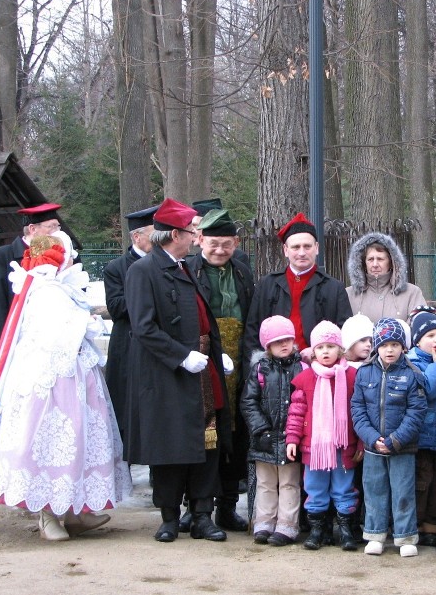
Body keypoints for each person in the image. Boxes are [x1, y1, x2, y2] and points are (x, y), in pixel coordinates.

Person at [0, 232, 131, 541]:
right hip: (54, 383)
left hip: (72, 376)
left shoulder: (54, 288)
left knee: (79, 440)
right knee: (53, 440)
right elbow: (58, 335)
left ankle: (73, 510)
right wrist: (88, 324)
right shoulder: (46, 291)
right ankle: (48, 513)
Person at [123, 198, 233, 544]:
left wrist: (216, 354)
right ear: (174, 234)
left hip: (202, 369)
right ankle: (169, 516)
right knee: (169, 447)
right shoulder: (143, 272)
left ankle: (202, 514)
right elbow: (143, 327)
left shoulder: (186, 267)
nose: (196, 238)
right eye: (193, 232)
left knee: (207, 444)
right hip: (168, 375)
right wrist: (181, 356)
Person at [186, 209, 256, 532]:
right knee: (203, 434)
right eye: (213, 243)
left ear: (236, 243)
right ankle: (196, 507)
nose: (219, 250)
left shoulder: (243, 272)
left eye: (226, 244)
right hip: (201, 360)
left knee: (235, 433)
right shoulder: (188, 271)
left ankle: (228, 506)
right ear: (199, 239)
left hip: (238, 362)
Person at [352, 317, 427, 557]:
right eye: (384, 345)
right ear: (377, 346)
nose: (390, 349)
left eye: (395, 344)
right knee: (374, 490)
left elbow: (416, 412)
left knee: (403, 490)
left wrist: (396, 440)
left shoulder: (413, 374)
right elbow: (357, 409)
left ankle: (405, 536)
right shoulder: (364, 374)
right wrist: (372, 438)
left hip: (402, 448)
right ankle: (375, 534)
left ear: (403, 346)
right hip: (373, 447)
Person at [285, 321, 360, 551]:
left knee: (344, 488)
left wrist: (361, 441)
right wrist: (292, 439)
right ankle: (318, 530)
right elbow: (296, 412)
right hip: (314, 448)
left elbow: (360, 411)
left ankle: (345, 530)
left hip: (343, 444)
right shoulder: (306, 378)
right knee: (315, 488)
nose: (325, 351)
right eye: (320, 347)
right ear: (313, 351)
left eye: (330, 346)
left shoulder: (351, 376)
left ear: (340, 349)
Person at [244, 213, 352, 369]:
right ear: (286, 250)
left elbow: (344, 333)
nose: (302, 252)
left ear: (317, 248)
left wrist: (317, 350)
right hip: (272, 370)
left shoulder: (334, 288)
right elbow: (252, 332)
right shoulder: (266, 285)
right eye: (295, 247)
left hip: (318, 370)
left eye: (307, 246)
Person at [241, 315, 305, 546]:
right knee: (265, 482)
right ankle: (264, 522)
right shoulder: (260, 369)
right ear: (268, 345)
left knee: (290, 483)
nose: (284, 344)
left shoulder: (301, 367)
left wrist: (297, 434)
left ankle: (288, 525)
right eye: (278, 341)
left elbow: (306, 401)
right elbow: (248, 402)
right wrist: (261, 431)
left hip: (291, 439)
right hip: (264, 439)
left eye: (288, 339)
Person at [104, 206, 157, 439]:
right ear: (137, 236)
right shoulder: (116, 268)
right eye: (155, 234)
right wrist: (148, 295)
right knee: (126, 409)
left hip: (157, 344)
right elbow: (116, 307)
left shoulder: (164, 262)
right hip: (127, 346)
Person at [0, 203, 62, 355]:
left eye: (58, 227)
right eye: (51, 227)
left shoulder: (67, 255)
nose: (57, 233)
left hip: (57, 340)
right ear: (33, 229)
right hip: (19, 340)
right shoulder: (5, 256)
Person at [405, 311, 436, 548]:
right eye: (431, 335)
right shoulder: (413, 362)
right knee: (422, 482)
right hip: (420, 438)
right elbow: (429, 390)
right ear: (417, 339)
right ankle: (416, 525)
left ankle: (432, 527)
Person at [346, 232, 426, 322]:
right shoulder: (348, 295)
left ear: (391, 263)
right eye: (370, 259)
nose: (375, 264)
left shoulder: (412, 293)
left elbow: (420, 326)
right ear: (363, 263)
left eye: (380, 259)